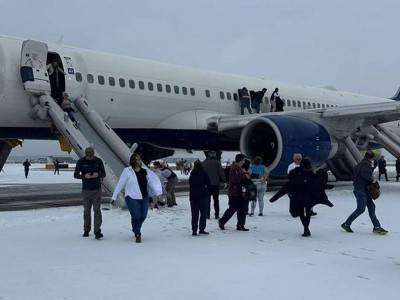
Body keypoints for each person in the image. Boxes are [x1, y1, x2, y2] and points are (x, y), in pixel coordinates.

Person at [270, 159, 334, 237]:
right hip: (307, 197)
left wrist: (274, 198)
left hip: (300, 197)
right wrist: (327, 187)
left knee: (302, 213)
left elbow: (287, 186)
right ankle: (306, 228)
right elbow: (318, 184)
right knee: (306, 212)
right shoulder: (308, 174)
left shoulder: (298, 174)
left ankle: (306, 228)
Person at [112, 153, 162, 243]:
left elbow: (150, 185)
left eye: (139, 159)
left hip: (144, 197)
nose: (139, 161)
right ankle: (137, 233)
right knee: (136, 216)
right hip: (131, 197)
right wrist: (114, 196)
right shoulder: (127, 171)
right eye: (137, 159)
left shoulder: (144, 171)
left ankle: (135, 226)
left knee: (143, 216)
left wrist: (157, 193)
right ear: (133, 160)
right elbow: (120, 184)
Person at [341, 150, 388, 235]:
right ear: (372, 157)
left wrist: (373, 167)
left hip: (362, 189)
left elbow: (361, 172)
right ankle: (346, 224)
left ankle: (377, 226)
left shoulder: (360, 164)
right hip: (361, 190)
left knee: (371, 207)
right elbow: (364, 173)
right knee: (361, 209)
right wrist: (372, 180)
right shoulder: (367, 164)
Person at [74, 147, 106, 239]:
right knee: (87, 211)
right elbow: (75, 175)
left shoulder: (98, 161)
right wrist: (84, 176)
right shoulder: (81, 162)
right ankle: (86, 229)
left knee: (97, 211)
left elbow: (104, 173)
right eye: (88, 157)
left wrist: (98, 174)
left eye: (91, 156)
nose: (89, 158)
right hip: (86, 190)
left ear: (93, 154)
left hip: (97, 189)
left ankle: (97, 231)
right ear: (85, 155)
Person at [218, 153, 251, 231]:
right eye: (243, 160)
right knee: (232, 208)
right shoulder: (235, 169)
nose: (244, 162)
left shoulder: (240, 168)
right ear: (240, 160)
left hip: (240, 192)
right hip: (234, 192)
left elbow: (246, 177)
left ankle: (240, 224)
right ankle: (222, 221)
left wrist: (245, 175)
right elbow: (237, 179)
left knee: (242, 209)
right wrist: (245, 176)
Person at [189, 160, 211, 235]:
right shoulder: (204, 172)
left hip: (193, 195)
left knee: (195, 214)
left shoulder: (192, 173)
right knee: (203, 214)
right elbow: (208, 182)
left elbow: (190, 183)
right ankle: (202, 229)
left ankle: (194, 230)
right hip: (203, 195)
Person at [202, 150, 227, 219]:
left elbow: (202, 174)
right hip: (215, 184)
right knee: (216, 200)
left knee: (207, 200)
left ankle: (207, 214)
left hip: (207, 184)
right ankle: (216, 214)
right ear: (215, 155)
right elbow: (221, 172)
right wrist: (225, 180)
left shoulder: (204, 163)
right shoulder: (217, 163)